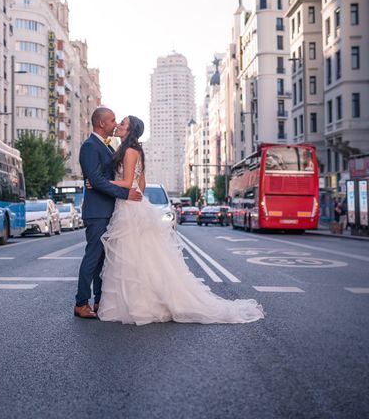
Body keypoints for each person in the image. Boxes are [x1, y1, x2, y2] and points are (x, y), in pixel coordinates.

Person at [95, 115, 264, 325]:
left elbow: (129, 182)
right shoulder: (134, 150)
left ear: (130, 130)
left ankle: (139, 304)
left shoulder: (129, 151)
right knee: (141, 257)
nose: (119, 126)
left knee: (132, 256)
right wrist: (136, 198)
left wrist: (100, 182)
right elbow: (142, 183)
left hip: (129, 206)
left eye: (123, 124)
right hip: (132, 204)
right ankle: (140, 301)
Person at [74, 107, 143, 319]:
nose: (115, 124)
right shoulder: (89, 146)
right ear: (102, 124)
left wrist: (126, 191)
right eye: (113, 120)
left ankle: (99, 300)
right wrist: (125, 193)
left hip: (109, 209)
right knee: (93, 256)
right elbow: (95, 180)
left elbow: (105, 178)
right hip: (97, 211)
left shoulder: (109, 147)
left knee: (103, 259)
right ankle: (81, 302)